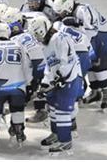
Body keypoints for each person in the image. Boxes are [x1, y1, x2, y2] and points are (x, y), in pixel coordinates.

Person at [28, 15, 82, 155]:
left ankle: (65, 141)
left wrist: (61, 77)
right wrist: (46, 82)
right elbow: (49, 66)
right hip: (59, 81)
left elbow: (68, 61)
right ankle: (56, 134)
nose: (37, 38)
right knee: (52, 105)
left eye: (37, 34)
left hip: (70, 79)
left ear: (43, 30)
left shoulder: (60, 38)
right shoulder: (46, 44)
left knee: (62, 110)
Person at [53, 0, 107, 110]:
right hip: (91, 40)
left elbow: (92, 31)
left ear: (68, 7)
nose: (59, 15)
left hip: (101, 38)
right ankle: (96, 92)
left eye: (61, 12)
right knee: (91, 66)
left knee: (100, 67)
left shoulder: (83, 10)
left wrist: (76, 23)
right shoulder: (71, 12)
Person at [0, 22, 32, 151]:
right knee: (17, 110)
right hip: (18, 85)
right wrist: (27, 84)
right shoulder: (19, 45)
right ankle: (19, 133)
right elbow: (26, 66)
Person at [1, 7, 47, 123]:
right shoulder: (27, 32)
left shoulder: (16, 38)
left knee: (31, 86)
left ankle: (40, 109)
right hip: (41, 62)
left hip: (38, 63)